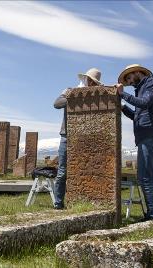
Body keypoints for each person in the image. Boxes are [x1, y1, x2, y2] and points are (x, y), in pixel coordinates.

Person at [115, 64, 153, 220]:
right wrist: (122, 106)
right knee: (152, 177)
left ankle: (152, 216)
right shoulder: (140, 90)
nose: (130, 82)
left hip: (150, 136)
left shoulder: (152, 83)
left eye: (130, 78)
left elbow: (144, 103)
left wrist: (123, 94)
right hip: (149, 136)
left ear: (137, 72)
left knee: (144, 176)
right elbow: (137, 116)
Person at [53, 68, 102, 209]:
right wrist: (76, 98)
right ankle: (58, 204)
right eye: (91, 81)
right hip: (67, 135)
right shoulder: (69, 90)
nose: (92, 84)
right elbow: (57, 103)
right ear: (86, 79)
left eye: (95, 83)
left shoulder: (94, 95)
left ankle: (80, 203)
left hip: (85, 138)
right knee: (63, 172)